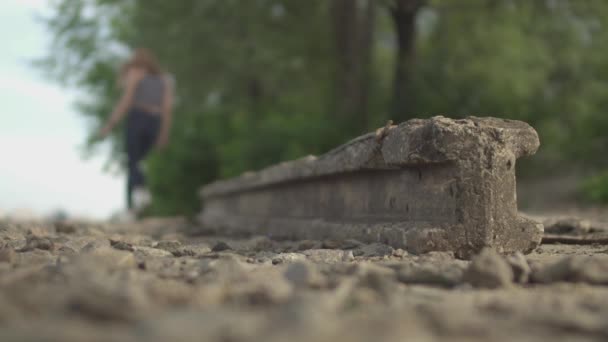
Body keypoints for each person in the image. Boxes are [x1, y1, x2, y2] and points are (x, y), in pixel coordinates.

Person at [99, 48, 174, 218]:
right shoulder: (165, 80)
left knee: (135, 162)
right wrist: (164, 133)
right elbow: (167, 109)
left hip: (139, 119)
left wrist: (109, 125)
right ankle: (133, 205)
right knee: (137, 162)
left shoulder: (142, 76)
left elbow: (126, 102)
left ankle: (137, 200)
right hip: (152, 121)